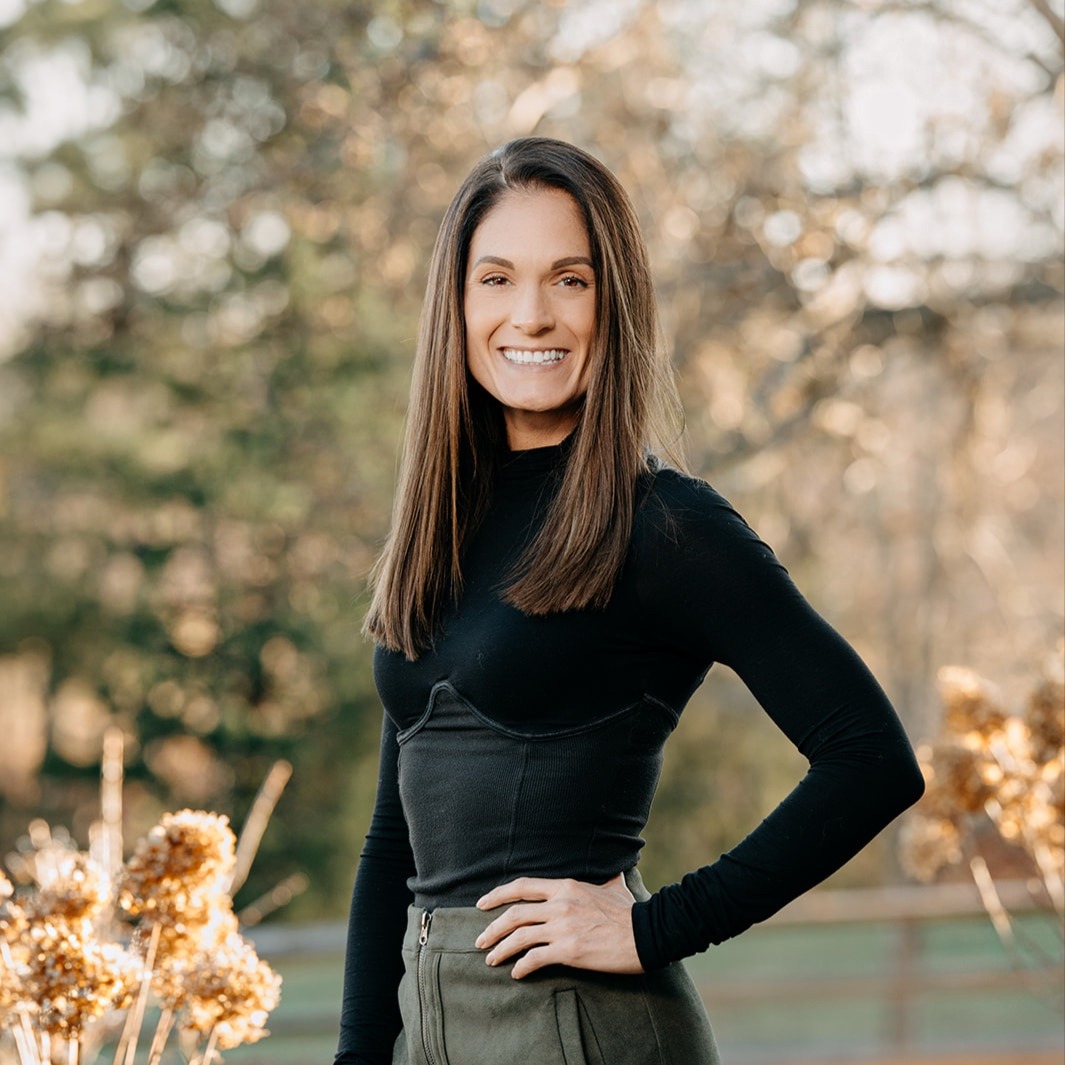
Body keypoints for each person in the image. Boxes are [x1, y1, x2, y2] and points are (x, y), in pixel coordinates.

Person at [334, 137, 925, 1065]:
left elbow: (872, 760)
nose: (529, 314)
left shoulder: (665, 527)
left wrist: (651, 929)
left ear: (614, 300)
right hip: (428, 1035)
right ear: (455, 303)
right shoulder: (440, 526)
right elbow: (390, 842)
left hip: (579, 1034)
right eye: (496, 278)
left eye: (569, 279)